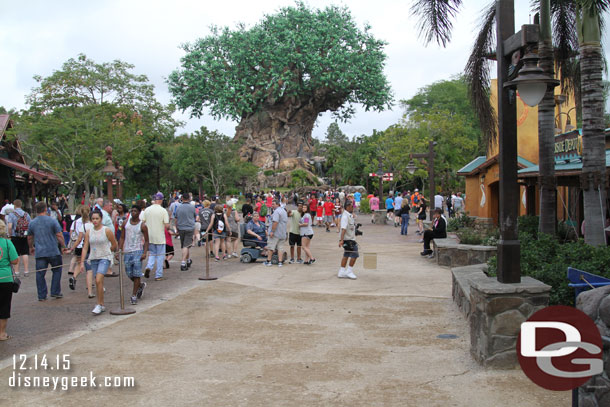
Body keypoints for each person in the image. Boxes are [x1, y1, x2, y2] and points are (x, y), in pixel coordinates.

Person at [28, 202, 69, 301]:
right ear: (46, 209)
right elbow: (59, 235)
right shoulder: (52, 221)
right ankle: (55, 291)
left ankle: (42, 295)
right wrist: (64, 246)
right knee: (57, 270)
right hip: (53, 250)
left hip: (40, 252)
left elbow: (29, 237)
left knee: (40, 274)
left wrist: (31, 247)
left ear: (36, 210)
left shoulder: (32, 223)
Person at [81, 210, 118, 315]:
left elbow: (114, 244)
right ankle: (101, 304)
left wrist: (109, 252)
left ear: (101, 219)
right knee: (99, 282)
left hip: (104, 258)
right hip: (93, 258)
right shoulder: (89, 231)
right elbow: (85, 247)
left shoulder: (106, 230)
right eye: (93, 219)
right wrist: (82, 262)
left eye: (97, 218)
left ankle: (99, 304)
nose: (95, 221)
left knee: (98, 279)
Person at [119, 205, 149, 305]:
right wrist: (119, 249)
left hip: (138, 250)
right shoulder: (125, 223)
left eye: (135, 211)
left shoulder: (143, 225)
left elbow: (147, 240)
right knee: (129, 273)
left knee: (136, 273)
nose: (133, 213)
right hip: (127, 251)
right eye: (132, 211)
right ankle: (140, 285)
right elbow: (122, 237)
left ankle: (133, 295)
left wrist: (144, 252)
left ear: (139, 212)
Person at [141, 193, 169, 281]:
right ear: (161, 200)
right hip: (160, 236)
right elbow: (167, 225)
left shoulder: (147, 210)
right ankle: (158, 275)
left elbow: (142, 221)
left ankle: (149, 266)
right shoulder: (163, 210)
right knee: (160, 256)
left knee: (152, 254)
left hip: (149, 236)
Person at [68, 206, 95, 297]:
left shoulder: (76, 222)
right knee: (90, 268)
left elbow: (71, 233)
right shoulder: (93, 224)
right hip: (90, 247)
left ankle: (74, 277)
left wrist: (72, 247)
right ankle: (90, 285)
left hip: (80, 246)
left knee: (80, 264)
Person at [0, 219, 18, 340]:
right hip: (5, 278)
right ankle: (2, 333)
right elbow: (15, 260)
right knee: (4, 306)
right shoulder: (7, 243)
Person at [6, 199, 31, 277]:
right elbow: (29, 226)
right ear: (21, 205)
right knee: (25, 253)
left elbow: (10, 227)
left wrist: (9, 235)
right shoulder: (26, 214)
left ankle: (17, 272)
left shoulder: (12, 214)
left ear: (14, 205)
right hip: (24, 235)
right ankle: (26, 271)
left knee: (16, 253)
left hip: (15, 236)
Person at [338, 200, 358, 280]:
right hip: (348, 240)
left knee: (346, 255)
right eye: (351, 206)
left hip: (350, 238)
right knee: (355, 254)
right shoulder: (345, 217)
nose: (352, 207)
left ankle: (342, 271)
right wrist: (341, 240)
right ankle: (349, 271)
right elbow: (343, 229)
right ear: (347, 207)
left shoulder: (349, 215)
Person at [175, 194, 196, 270]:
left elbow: (176, 218)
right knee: (186, 246)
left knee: (185, 245)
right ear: (189, 198)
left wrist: (177, 228)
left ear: (182, 198)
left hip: (181, 227)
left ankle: (188, 260)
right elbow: (194, 216)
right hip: (189, 228)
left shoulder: (178, 207)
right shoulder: (192, 207)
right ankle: (183, 263)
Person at [264, 199, 287, 267]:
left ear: (278, 204)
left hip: (276, 233)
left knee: (271, 247)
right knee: (280, 248)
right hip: (282, 233)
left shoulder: (276, 212)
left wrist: (272, 231)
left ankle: (268, 261)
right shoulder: (284, 211)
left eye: (273, 204)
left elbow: (275, 222)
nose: (272, 205)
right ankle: (280, 262)